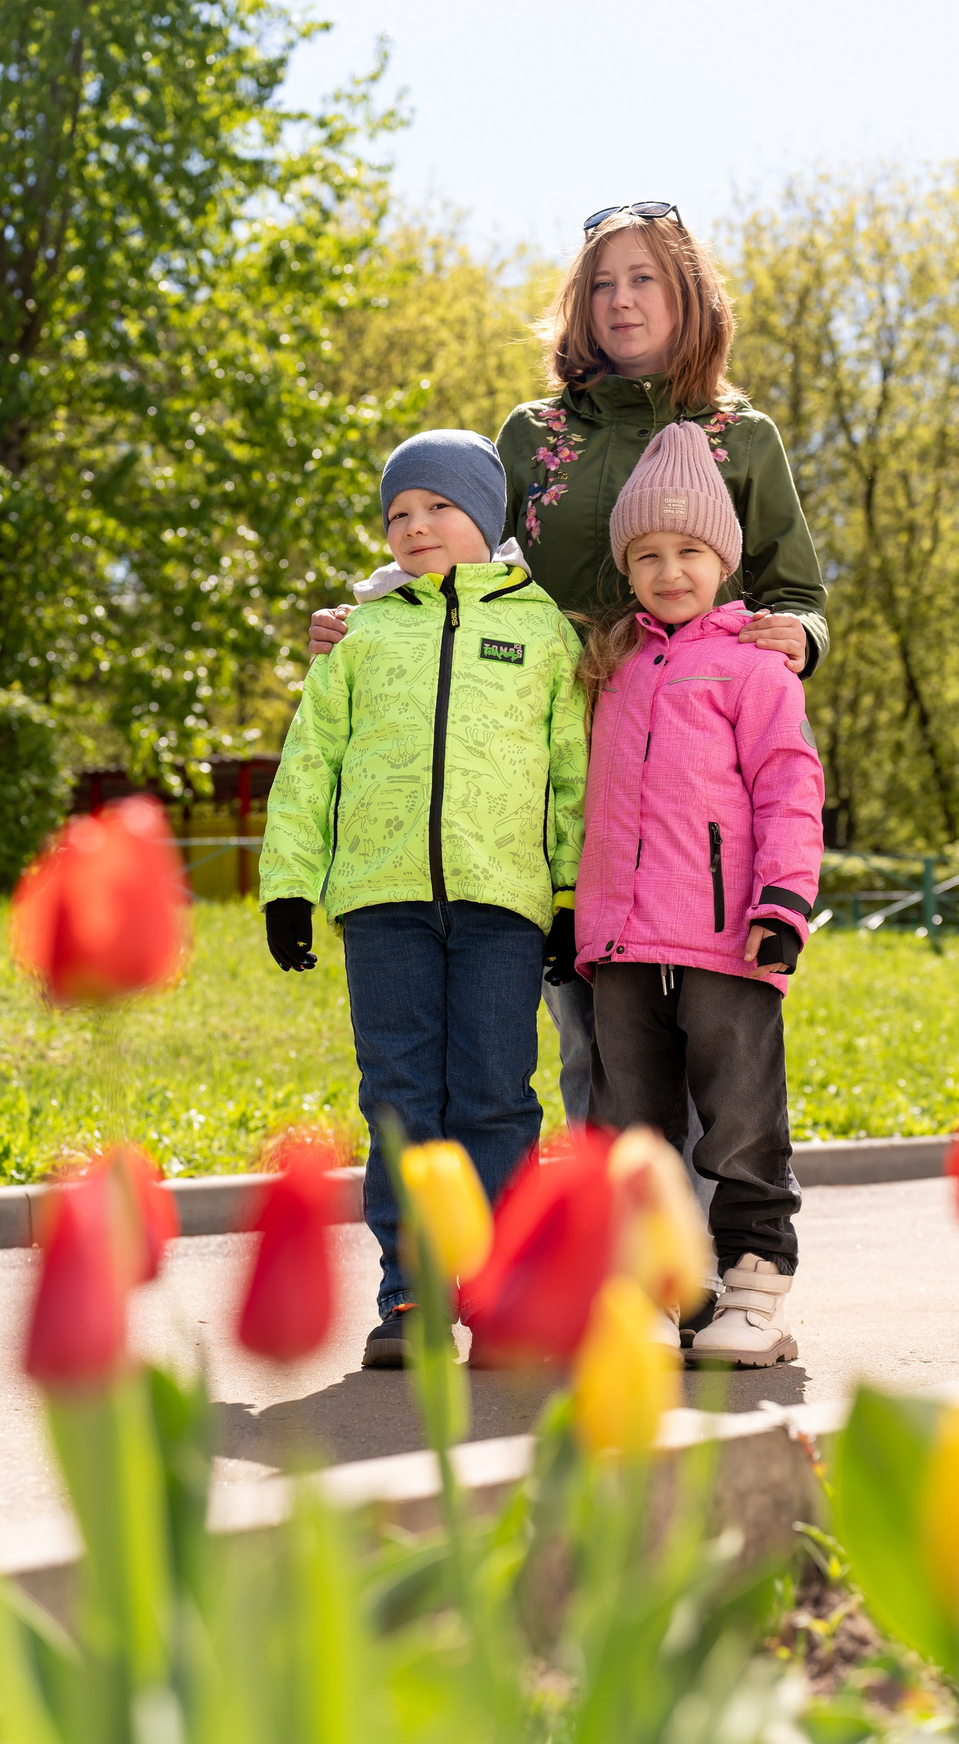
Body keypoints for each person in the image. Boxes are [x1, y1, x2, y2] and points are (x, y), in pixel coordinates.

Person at [307, 204, 828, 1131]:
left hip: (689, 766)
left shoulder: (742, 435)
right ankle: (614, 1216)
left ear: (688, 295)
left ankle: (701, 1217)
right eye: (601, 285)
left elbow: (796, 592)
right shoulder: (532, 433)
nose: (621, 301)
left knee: (705, 1019)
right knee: (592, 1025)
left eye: (643, 279)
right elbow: (464, 558)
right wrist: (372, 612)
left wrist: (799, 635)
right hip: (540, 749)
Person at [257, 430, 587, 1370]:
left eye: (438, 506)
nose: (415, 525)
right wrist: (290, 884)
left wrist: (569, 895)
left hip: (502, 905)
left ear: (485, 515)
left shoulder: (543, 631)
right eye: (398, 513)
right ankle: (410, 1292)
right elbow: (310, 762)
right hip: (382, 902)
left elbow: (573, 773)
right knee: (400, 1097)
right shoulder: (360, 634)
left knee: (494, 1094)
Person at [573, 423, 820, 1366]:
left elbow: (790, 787)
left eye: (689, 552)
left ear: (724, 560)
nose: (669, 571)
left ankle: (755, 1292)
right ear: (626, 568)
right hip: (622, 945)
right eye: (647, 555)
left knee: (743, 1124)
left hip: (729, 940)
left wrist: (783, 905)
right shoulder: (609, 670)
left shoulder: (757, 667)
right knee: (630, 1130)